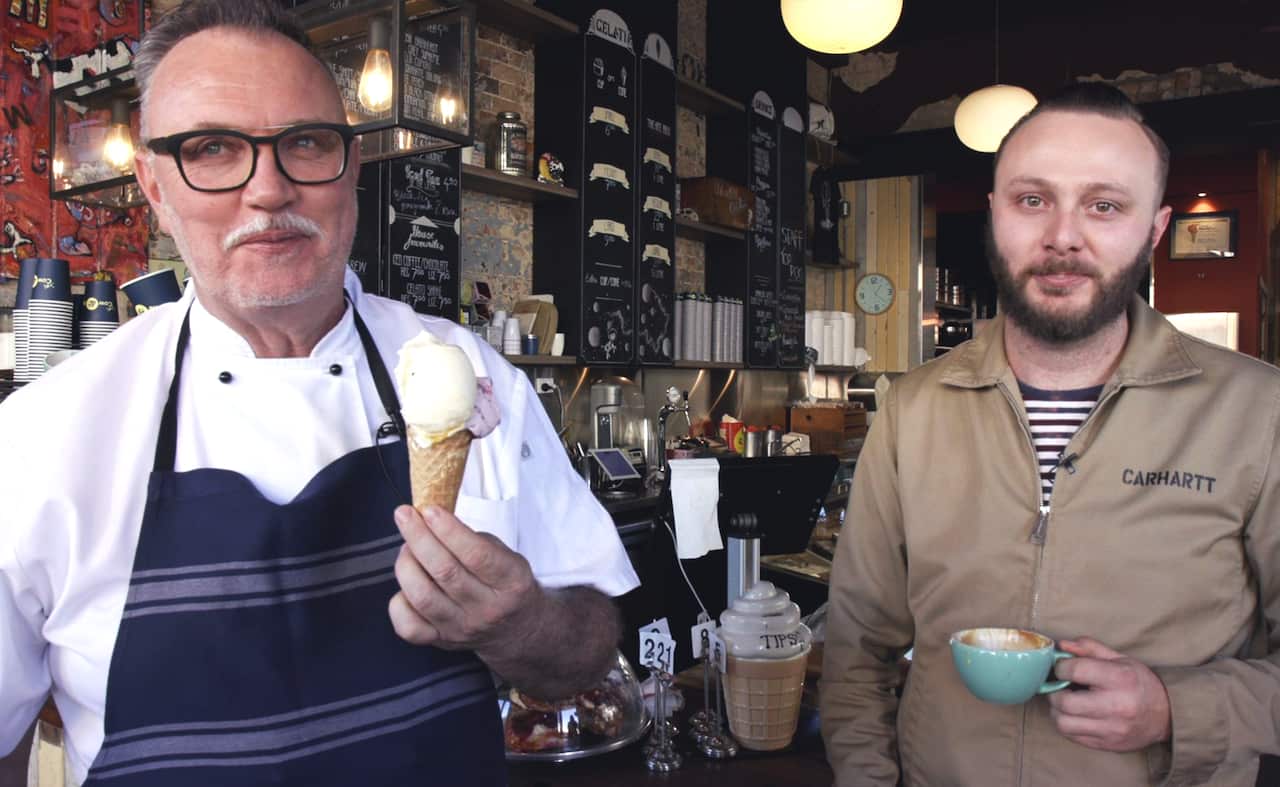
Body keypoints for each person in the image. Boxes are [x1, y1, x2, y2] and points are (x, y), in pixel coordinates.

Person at [0, 1, 638, 784]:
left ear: (352, 167)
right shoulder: (42, 436)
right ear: (154, 187)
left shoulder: (469, 373)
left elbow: (589, 641)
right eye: (212, 148)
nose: (268, 189)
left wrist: (521, 622)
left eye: (304, 142)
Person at [820, 83, 1280, 786]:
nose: (1063, 235)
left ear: (1154, 230)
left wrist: (1173, 707)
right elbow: (856, 653)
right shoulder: (912, 409)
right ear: (994, 213)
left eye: (1104, 205)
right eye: (1032, 199)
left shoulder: (1258, 410)